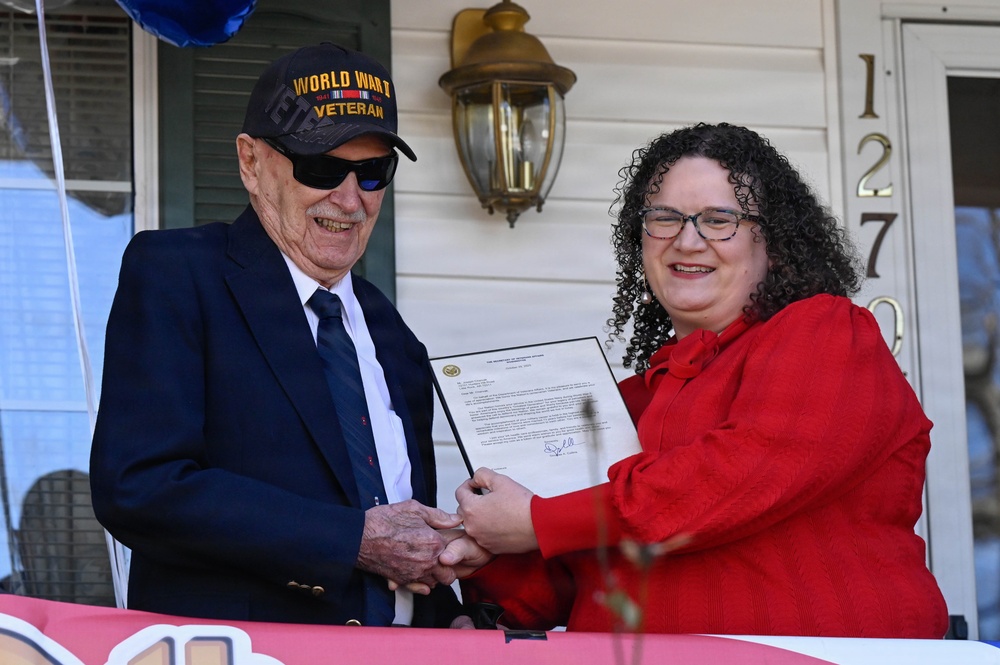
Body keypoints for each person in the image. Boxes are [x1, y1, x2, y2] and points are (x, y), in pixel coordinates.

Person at [455, 123, 950, 637]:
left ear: (773, 242)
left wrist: (538, 521)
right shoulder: (627, 401)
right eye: (664, 218)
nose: (688, 240)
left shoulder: (827, 333)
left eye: (719, 219)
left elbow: (740, 474)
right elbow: (562, 580)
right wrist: (474, 552)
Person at [90, 42, 477, 628]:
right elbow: (139, 486)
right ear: (250, 162)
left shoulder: (390, 331)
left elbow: (402, 528)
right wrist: (353, 540)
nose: (349, 200)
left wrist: (450, 615)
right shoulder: (177, 272)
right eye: (320, 167)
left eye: (372, 172)